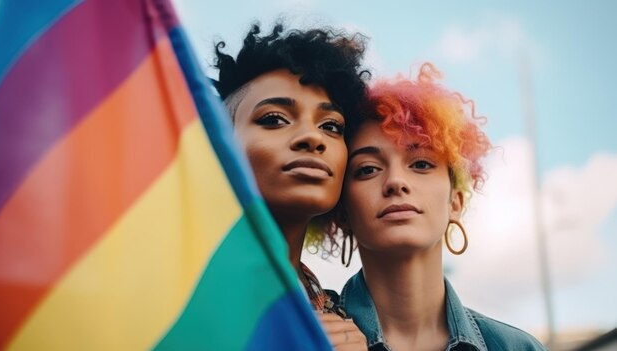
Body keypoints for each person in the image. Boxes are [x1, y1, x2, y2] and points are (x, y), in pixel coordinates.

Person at [335, 63, 547, 350]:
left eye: (421, 164)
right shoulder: (297, 337)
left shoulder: (518, 347)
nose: (396, 181)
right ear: (341, 212)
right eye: (368, 169)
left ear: (456, 202)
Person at [213, 22, 369, 350]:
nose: (313, 137)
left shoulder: (332, 309)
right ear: (218, 146)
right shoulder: (177, 288)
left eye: (331, 126)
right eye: (273, 119)